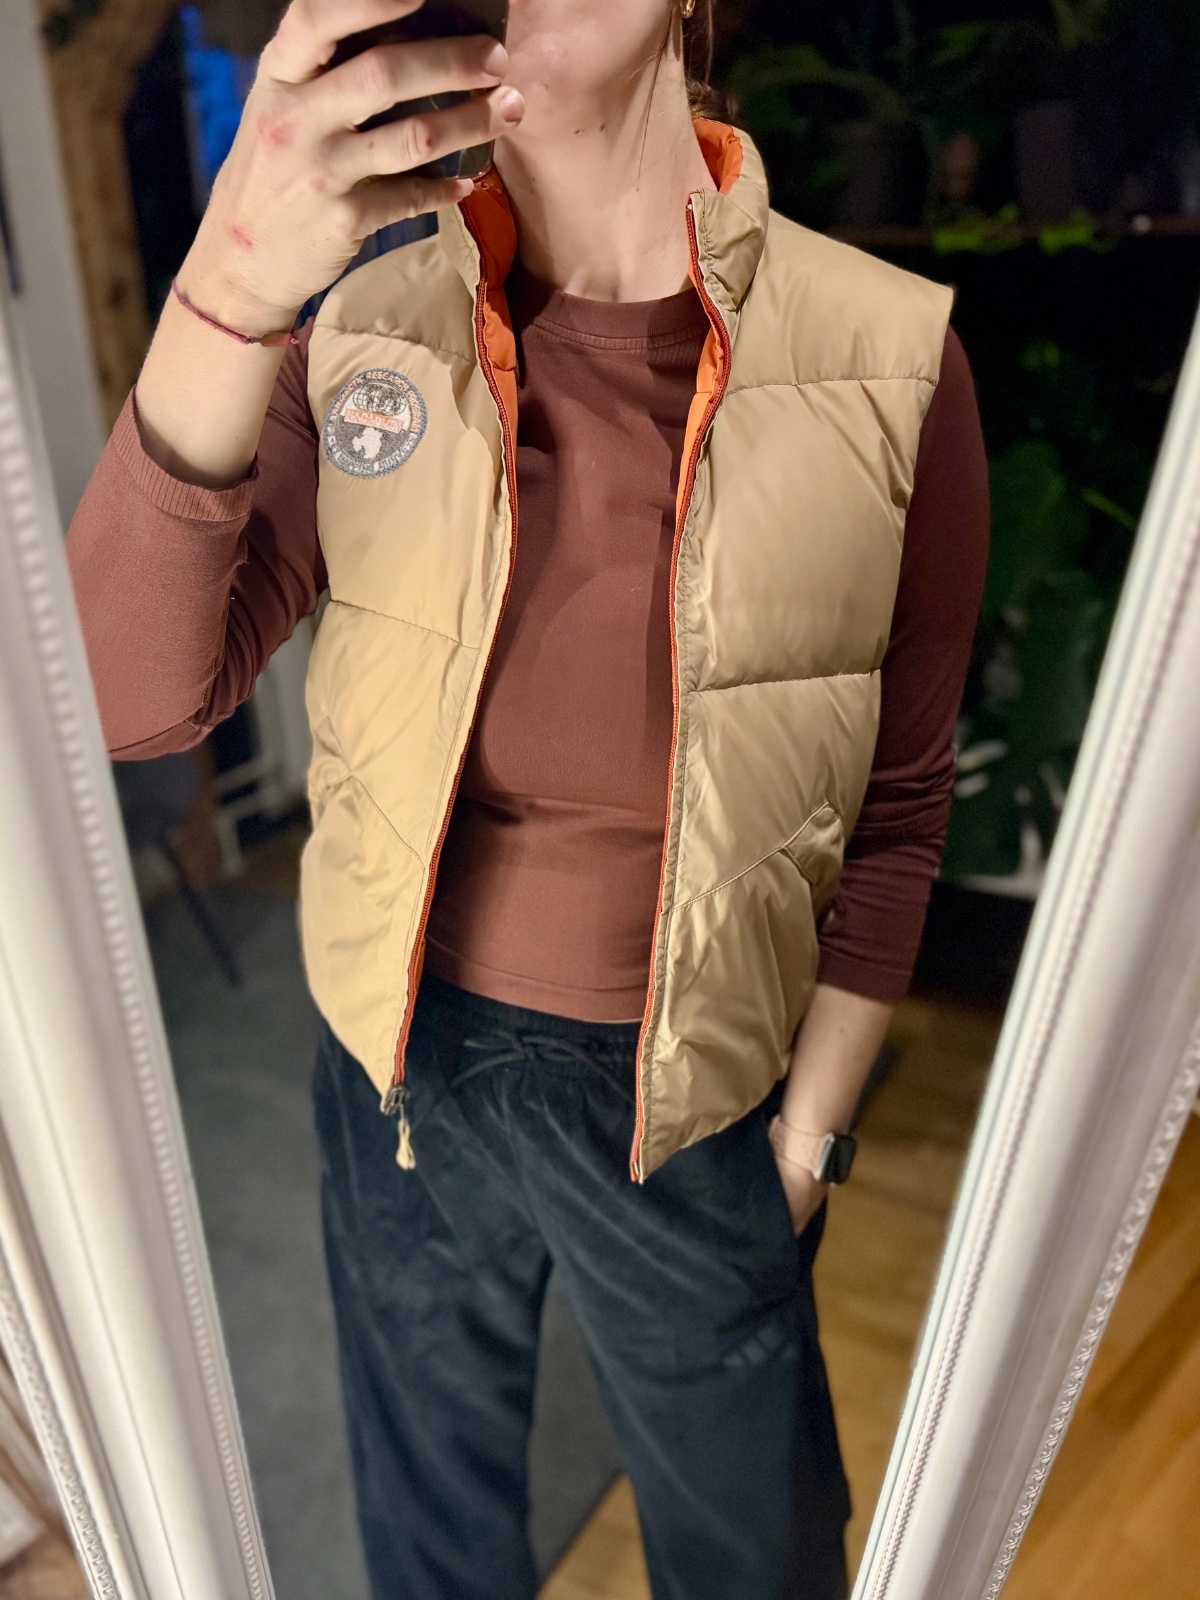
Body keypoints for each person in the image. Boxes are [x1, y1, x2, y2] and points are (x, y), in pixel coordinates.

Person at [66, 1, 990, 1596]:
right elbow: (129, 701)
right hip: (393, 1072)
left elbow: (899, 811)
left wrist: (807, 1148)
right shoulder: (359, 332)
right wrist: (231, 279)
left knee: (757, 1558)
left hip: (682, 1103)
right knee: (433, 1553)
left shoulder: (886, 356)